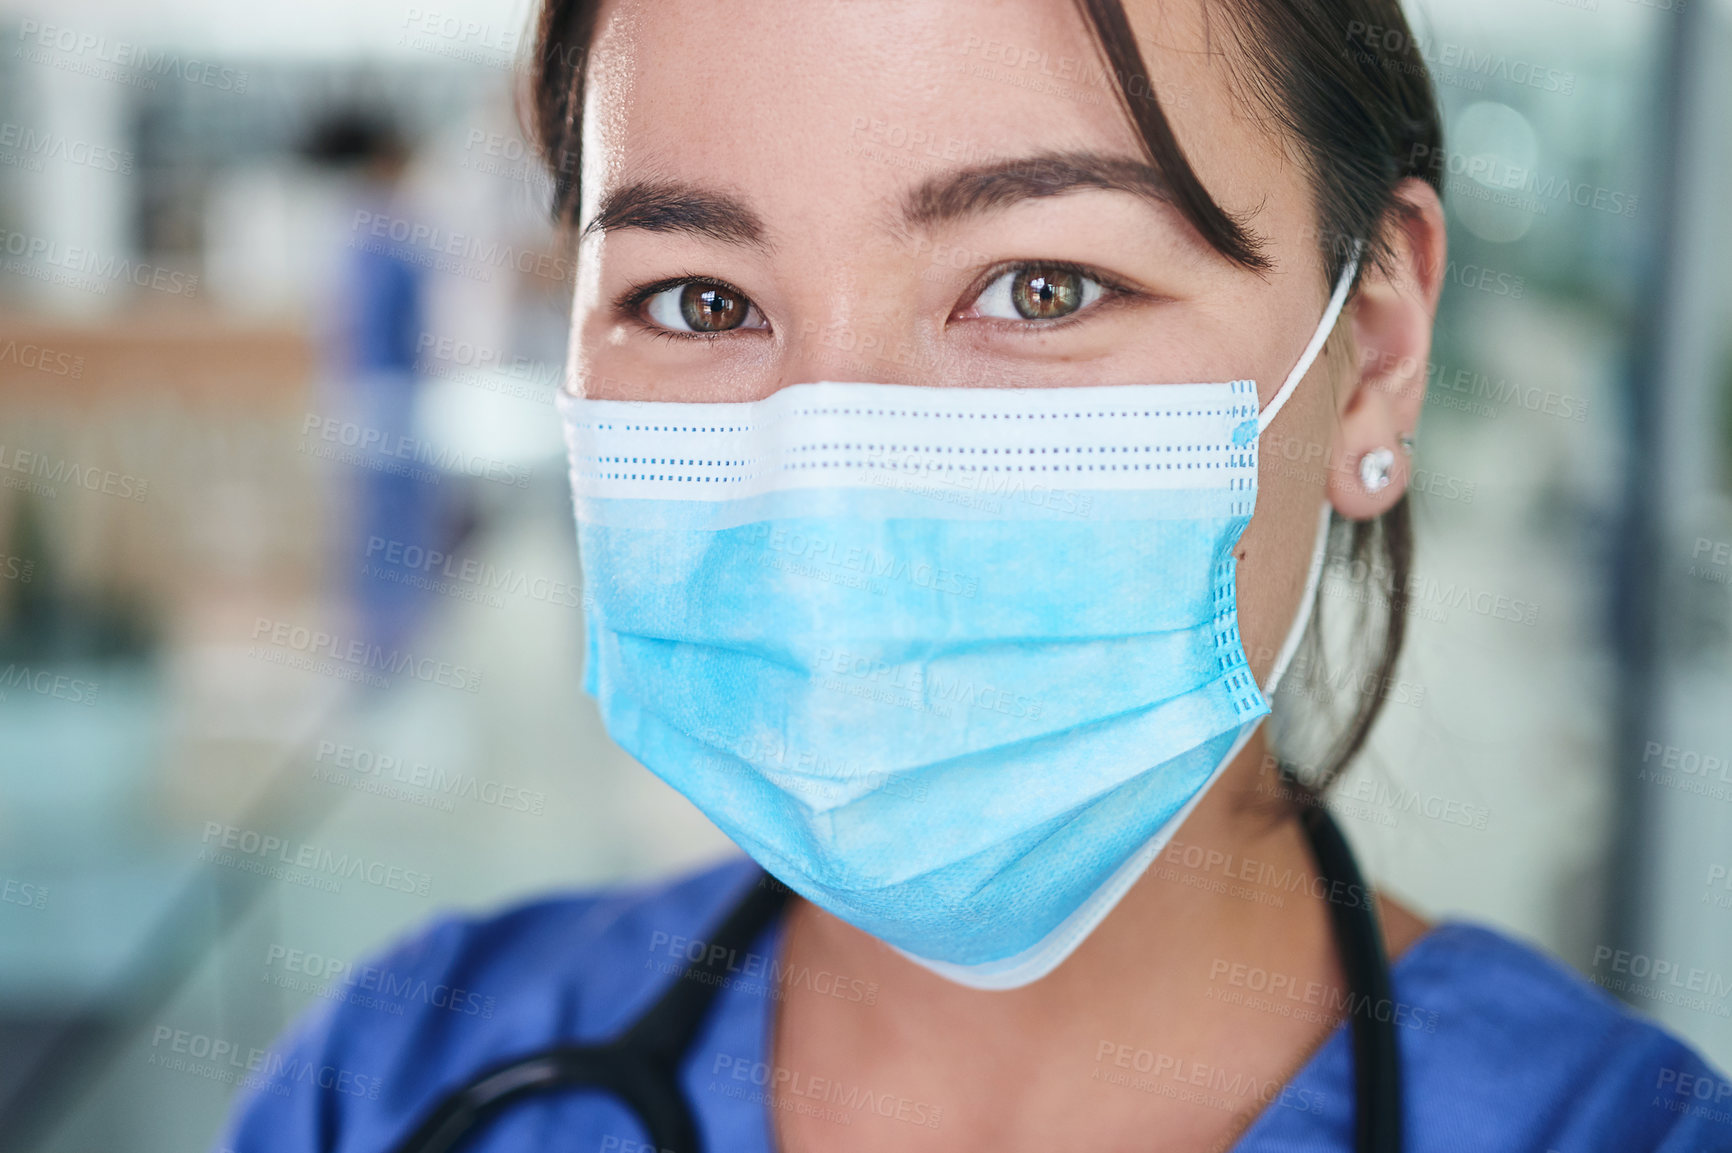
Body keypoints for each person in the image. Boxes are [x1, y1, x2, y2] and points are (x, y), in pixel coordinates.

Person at [218, 1, 1732, 1150]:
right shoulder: (397, 1082)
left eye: (1042, 285)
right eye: (697, 298)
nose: (828, 471)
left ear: (1378, 352)